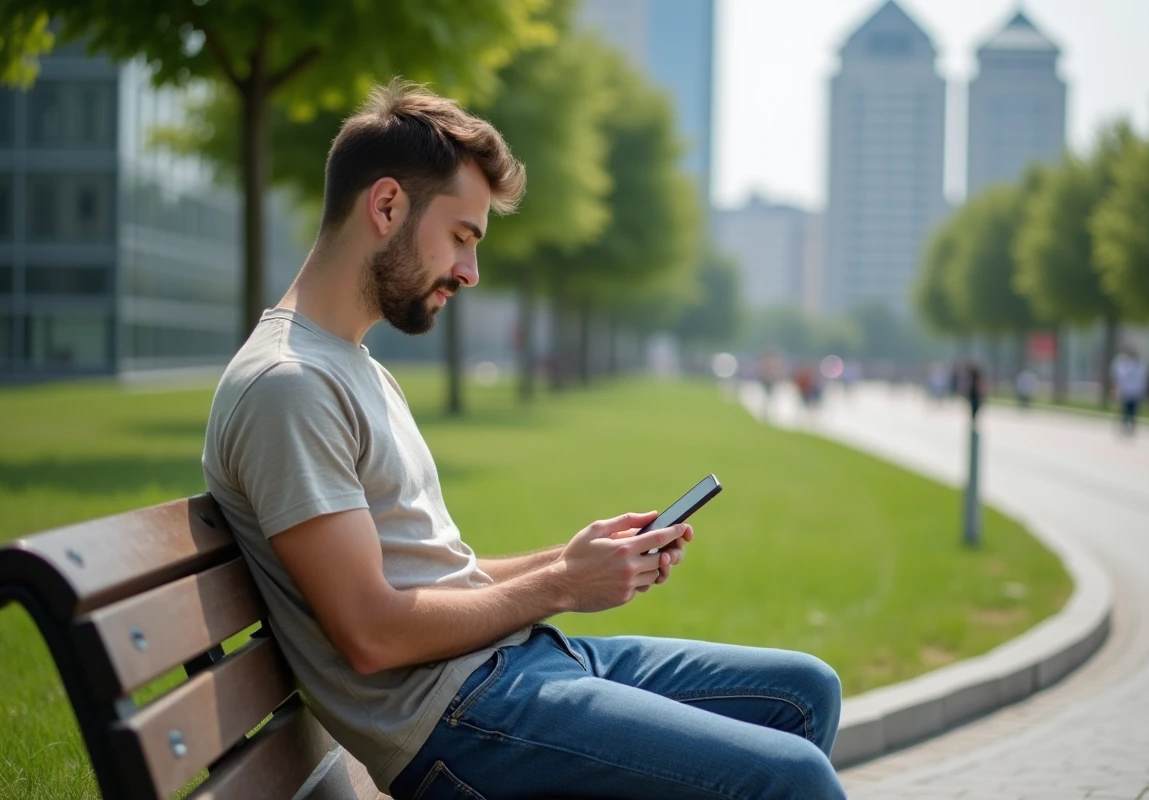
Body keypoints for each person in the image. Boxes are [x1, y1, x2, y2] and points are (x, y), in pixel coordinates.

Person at [202, 81, 844, 800]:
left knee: (804, 694)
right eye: (462, 237)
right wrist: (564, 585)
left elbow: (435, 580)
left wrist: (571, 559)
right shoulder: (289, 386)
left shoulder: (353, 369)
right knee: (793, 780)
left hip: (506, 670)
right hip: (456, 719)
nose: (470, 273)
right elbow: (372, 632)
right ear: (386, 206)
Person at [1110, 347, 1147, 436]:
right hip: (1125, 390)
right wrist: (1115, 389)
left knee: (1133, 410)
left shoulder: (1140, 365)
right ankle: (1124, 424)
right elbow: (1117, 377)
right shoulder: (1122, 363)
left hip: (1135, 391)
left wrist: (1143, 391)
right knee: (1124, 409)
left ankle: (1130, 426)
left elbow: (1143, 379)